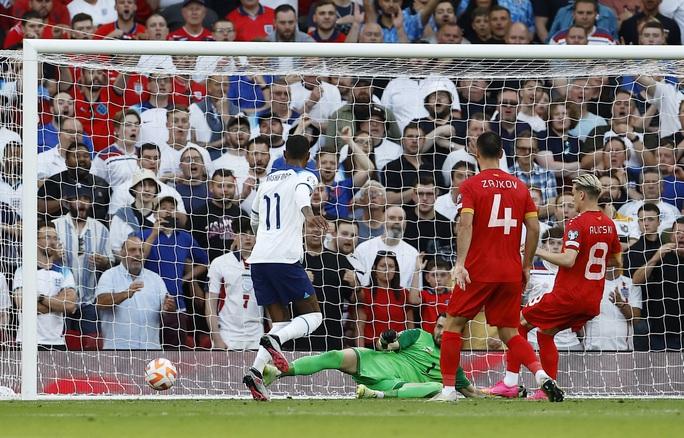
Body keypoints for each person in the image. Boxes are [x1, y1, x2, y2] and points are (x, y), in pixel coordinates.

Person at [433, 131, 558, 402]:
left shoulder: (471, 186)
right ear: (502, 154)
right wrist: (526, 265)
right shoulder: (520, 187)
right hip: (511, 270)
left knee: (453, 325)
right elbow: (534, 227)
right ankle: (541, 375)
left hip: (479, 269)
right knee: (510, 332)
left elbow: (465, 224)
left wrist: (460, 263)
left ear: (476, 154)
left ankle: (448, 390)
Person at [494, 174, 622, 400]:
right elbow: (617, 262)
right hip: (592, 301)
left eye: (573, 193)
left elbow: (569, 259)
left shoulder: (576, 223)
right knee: (545, 334)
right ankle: (544, 392)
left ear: (582, 194)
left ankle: (510, 383)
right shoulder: (609, 224)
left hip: (568, 296)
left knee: (515, 325)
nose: (573, 198)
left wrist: (536, 251)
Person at [242, 135, 328, 401]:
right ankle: (276, 343)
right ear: (308, 157)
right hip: (285, 259)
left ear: (283, 154)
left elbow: (254, 219)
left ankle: (255, 373)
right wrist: (309, 216)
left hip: (259, 259)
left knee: (279, 322)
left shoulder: (266, 180)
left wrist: (266, 235)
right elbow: (302, 195)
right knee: (314, 317)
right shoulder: (307, 176)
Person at [262, 314, 484, 399]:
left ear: (457, 333)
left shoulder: (453, 366)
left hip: (394, 382)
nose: (440, 332)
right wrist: (385, 339)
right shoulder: (418, 335)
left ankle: (376, 394)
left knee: (441, 390)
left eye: (446, 329)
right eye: (438, 326)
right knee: (332, 356)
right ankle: (280, 371)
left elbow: (472, 393)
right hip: (376, 360)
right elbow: (386, 345)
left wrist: (505, 393)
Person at [95, 235, 176, 350]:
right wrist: (126, 294)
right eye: (132, 250)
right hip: (117, 350)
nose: (137, 254)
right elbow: (101, 302)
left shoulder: (155, 279)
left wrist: (169, 309)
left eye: (141, 250)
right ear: (122, 253)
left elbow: (167, 316)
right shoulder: (109, 275)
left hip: (150, 350)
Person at [13, 223, 78, 350]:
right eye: (47, 237)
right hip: (27, 341)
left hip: (57, 341)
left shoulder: (64, 271)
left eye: (55, 238)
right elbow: (23, 305)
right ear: (36, 240)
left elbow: (70, 305)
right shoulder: (22, 271)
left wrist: (40, 297)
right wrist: (58, 304)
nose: (53, 242)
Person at [206, 216, 263, 350]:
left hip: (257, 336)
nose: (248, 238)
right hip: (228, 336)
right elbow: (210, 304)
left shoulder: (265, 265)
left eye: (252, 234)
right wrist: (217, 339)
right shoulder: (220, 263)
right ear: (234, 236)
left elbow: (272, 306)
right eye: (243, 234)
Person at [629, 216, 684, 350]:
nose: (681, 237)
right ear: (671, 236)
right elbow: (636, 280)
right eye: (678, 233)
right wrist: (656, 257)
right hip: (662, 331)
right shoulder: (660, 256)